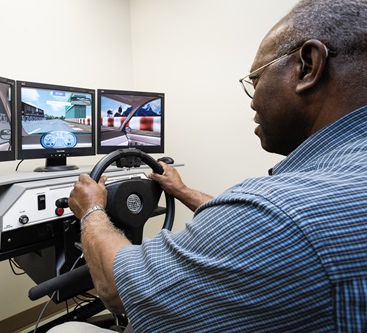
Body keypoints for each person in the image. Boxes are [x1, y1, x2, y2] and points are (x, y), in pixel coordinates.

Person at [48, 0, 367, 331]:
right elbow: (240, 226)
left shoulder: (278, 214)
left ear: (307, 66)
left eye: (255, 80)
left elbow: (119, 290)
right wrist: (182, 191)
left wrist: (91, 211)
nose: (253, 101)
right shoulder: (333, 181)